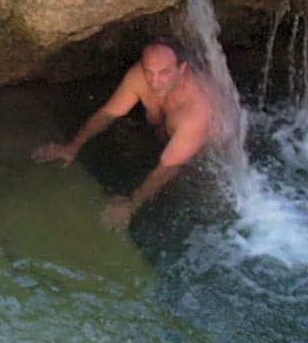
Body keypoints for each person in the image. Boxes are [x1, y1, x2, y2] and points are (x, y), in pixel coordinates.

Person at [32, 36, 215, 230]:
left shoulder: (196, 111)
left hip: (204, 158)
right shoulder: (140, 77)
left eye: (164, 73)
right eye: (149, 72)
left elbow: (168, 167)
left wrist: (132, 204)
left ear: (183, 69)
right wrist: (72, 147)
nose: (155, 82)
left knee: (186, 198)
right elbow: (107, 114)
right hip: (166, 139)